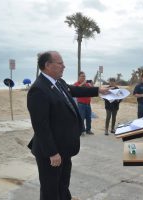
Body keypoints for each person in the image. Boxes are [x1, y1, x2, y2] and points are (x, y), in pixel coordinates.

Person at [27, 51, 108, 200]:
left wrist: (98, 90)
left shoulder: (59, 82)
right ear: (47, 65)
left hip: (63, 148)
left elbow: (75, 90)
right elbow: (40, 126)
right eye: (60, 63)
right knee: (50, 190)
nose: (64, 66)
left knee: (63, 185)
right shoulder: (38, 89)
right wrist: (52, 152)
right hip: (51, 152)